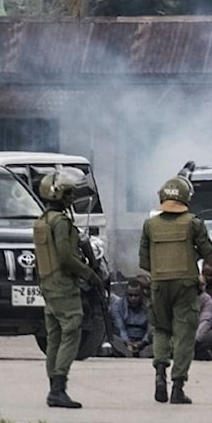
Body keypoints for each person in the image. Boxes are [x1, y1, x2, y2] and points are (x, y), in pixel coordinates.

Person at [139, 176, 212, 404]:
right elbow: (211, 257)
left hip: (158, 285)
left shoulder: (150, 224)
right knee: (184, 335)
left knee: (161, 330)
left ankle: (159, 375)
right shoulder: (193, 223)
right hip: (185, 286)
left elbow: (144, 262)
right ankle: (177, 386)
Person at [33, 168, 103, 409]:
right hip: (63, 284)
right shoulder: (60, 222)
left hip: (48, 282)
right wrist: (89, 274)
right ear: (58, 194)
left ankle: (54, 386)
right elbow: (65, 256)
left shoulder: (42, 221)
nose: (72, 198)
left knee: (54, 335)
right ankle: (58, 387)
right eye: (68, 193)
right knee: (71, 328)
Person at [110, 279, 153, 358]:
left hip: (144, 341)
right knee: (112, 338)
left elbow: (150, 328)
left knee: (159, 339)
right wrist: (127, 342)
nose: (133, 298)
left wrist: (142, 342)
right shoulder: (118, 305)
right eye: (130, 295)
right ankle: (127, 352)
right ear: (126, 294)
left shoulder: (149, 306)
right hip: (124, 341)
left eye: (136, 295)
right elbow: (120, 327)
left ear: (142, 294)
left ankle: (141, 352)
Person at [194, 288, 212, 360]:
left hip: (200, 334)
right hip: (180, 334)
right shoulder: (179, 297)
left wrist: (195, 339)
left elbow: (206, 321)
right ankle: (203, 354)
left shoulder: (207, 299)